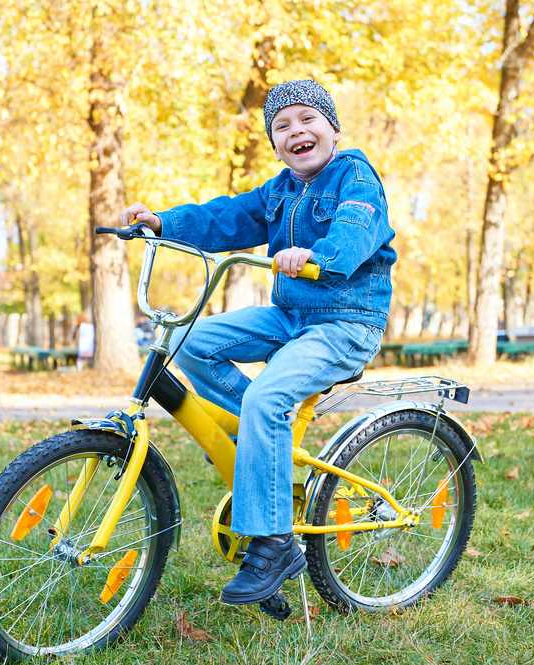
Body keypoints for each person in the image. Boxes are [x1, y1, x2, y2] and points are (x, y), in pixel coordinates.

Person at [120, 80, 396, 606]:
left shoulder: (354, 174)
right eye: (282, 126)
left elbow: (356, 229)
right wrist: (164, 222)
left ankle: (274, 544)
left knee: (267, 398)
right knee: (187, 337)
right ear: (274, 144)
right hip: (289, 316)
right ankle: (262, 432)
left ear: (333, 129)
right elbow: (226, 217)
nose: (297, 132)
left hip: (345, 323)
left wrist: (319, 254)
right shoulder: (278, 191)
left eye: (307, 120)